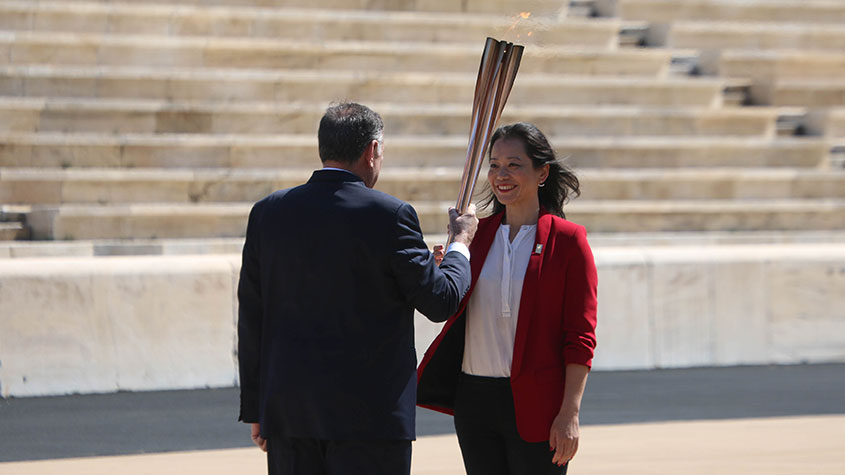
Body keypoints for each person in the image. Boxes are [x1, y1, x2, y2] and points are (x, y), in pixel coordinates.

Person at [237, 102, 478, 475]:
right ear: (373, 151)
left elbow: (252, 318)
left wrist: (257, 408)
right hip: (370, 421)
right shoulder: (391, 215)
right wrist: (461, 243)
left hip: (289, 415)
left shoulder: (268, 212)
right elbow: (441, 300)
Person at [417, 122, 598, 474]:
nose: (502, 174)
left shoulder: (568, 241)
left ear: (542, 172)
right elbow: (445, 303)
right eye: (495, 164)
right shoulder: (475, 236)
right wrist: (446, 263)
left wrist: (569, 414)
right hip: (475, 401)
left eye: (514, 164)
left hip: (537, 404)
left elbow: (580, 337)